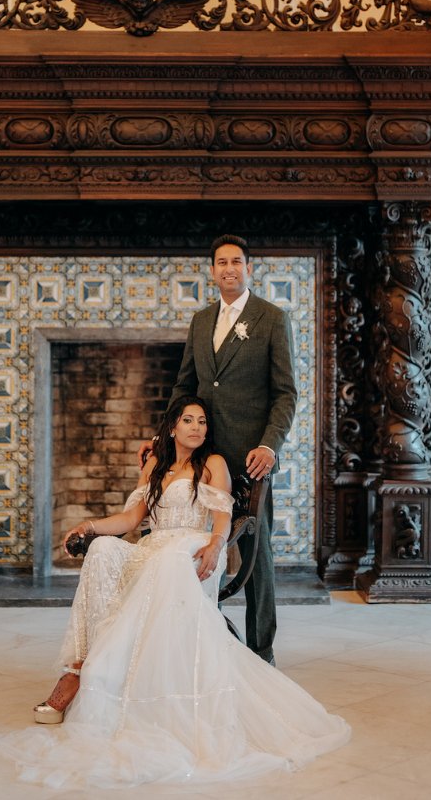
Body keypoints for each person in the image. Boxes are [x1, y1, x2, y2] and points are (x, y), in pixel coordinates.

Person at [0, 396, 348, 789]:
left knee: (168, 560)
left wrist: (215, 544)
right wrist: (89, 527)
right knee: (105, 551)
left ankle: (122, 683)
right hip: (153, 546)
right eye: (188, 420)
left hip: (192, 552)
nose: (197, 428)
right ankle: (80, 667)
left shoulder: (213, 464)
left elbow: (223, 518)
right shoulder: (154, 466)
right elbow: (130, 520)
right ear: (172, 427)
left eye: (202, 422)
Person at [159, 236, 296, 662]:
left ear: (248, 268)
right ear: (213, 270)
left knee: (257, 555)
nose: (229, 268)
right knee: (198, 544)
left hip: (250, 458)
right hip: (202, 456)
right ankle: (204, 644)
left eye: (237, 261)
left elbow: (285, 393)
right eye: (222, 262)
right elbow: (186, 386)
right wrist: (167, 434)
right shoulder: (201, 321)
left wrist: (269, 446)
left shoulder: (271, 318)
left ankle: (261, 651)